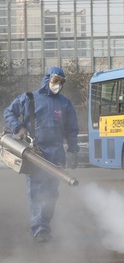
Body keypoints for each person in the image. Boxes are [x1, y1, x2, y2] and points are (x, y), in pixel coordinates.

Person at [3, 66, 79, 242]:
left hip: (57, 153)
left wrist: (73, 150)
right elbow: (9, 112)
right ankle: (39, 229)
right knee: (37, 190)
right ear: (47, 79)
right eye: (55, 80)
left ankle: (44, 224)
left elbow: (71, 129)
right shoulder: (29, 99)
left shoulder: (65, 103)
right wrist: (19, 127)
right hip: (35, 151)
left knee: (52, 192)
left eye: (61, 82)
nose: (57, 84)